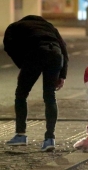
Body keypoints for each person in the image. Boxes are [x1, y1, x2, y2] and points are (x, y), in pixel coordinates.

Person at [3, 15, 69, 152]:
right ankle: (49, 139)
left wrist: (22, 65)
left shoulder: (15, 26)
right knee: (50, 96)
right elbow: (64, 49)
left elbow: (9, 46)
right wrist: (62, 75)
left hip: (36, 53)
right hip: (55, 54)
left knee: (21, 94)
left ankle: (21, 135)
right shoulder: (50, 27)